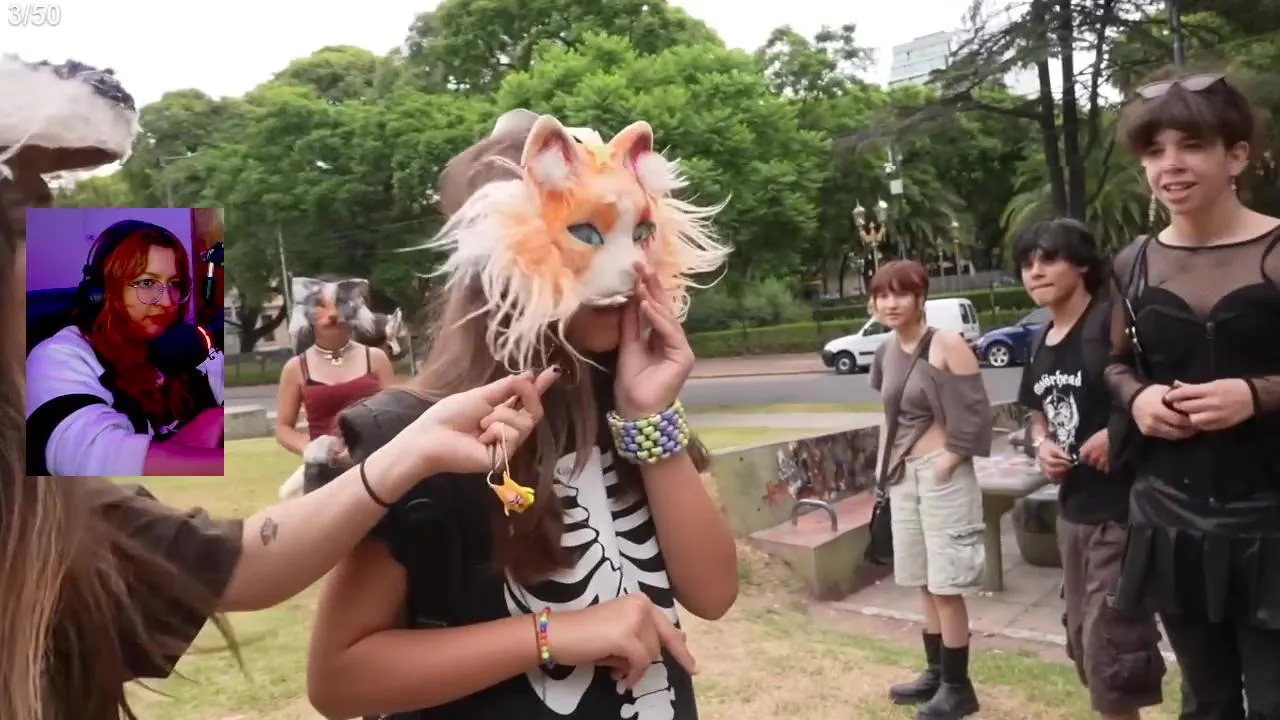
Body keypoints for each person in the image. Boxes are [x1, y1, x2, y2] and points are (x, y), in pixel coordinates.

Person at [303, 109, 739, 720]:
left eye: (640, 233)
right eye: (586, 232)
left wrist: (648, 417)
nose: (630, 265)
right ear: (493, 257)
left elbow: (714, 593)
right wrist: (552, 634)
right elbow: (337, 679)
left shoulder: (628, 405)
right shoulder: (422, 437)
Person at [1107, 71, 1280, 719]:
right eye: (1155, 151)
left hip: (1271, 517)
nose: (1170, 164)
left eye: (1192, 145)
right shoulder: (1132, 263)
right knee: (1206, 701)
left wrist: (1257, 394)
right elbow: (1115, 364)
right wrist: (1137, 400)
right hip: (1171, 518)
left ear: (1237, 155)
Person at [1013, 219, 1165, 720]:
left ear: (1081, 265)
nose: (1035, 272)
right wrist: (1041, 445)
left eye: (1048, 259)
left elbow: (1156, 390)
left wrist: (1116, 432)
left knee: (1111, 647)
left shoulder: (1110, 324)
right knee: (1083, 641)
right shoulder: (1039, 339)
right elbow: (1035, 411)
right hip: (1073, 512)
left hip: (1123, 511)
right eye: (1027, 264)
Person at [869, 260, 991, 720]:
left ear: (921, 297)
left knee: (946, 584)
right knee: (922, 579)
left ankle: (959, 688)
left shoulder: (947, 344)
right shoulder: (886, 350)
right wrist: (882, 470)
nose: (891, 303)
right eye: (882, 295)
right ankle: (937, 674)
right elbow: (889, 415)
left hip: (942, 476)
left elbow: (975, 413)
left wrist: (948, 460)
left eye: (901, 293)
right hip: (903, 475)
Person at [26, 220, 225, 476]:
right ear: (102, 292)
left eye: (174, 284)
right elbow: (96, 458)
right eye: (147, 283)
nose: (167, 302)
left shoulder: (184, 347)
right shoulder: (57, 359)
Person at [275, 276, 395, 497]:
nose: (332, 315)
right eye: (321, 305)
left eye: (340, 303)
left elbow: (395, 413)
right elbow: (283, 428)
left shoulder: (376, 359)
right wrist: (310, 447)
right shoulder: (296, 368)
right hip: (323, 477)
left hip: (375, 470)